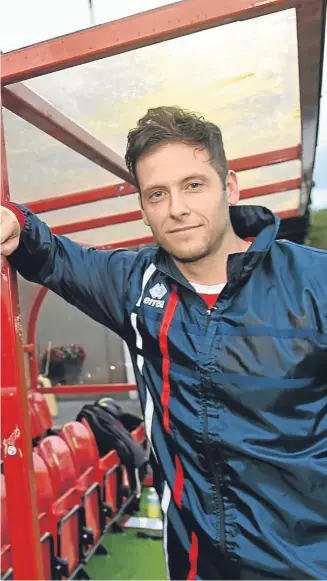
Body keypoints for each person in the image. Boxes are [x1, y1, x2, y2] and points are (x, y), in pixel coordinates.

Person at [1, 106, 327, 580]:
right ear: (143, 207)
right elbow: (51, 255)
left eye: (194, 185)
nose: (177, 208)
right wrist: (13, 220)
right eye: (158, 193)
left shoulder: (315, 283)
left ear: (229, 187)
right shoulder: (136, 287)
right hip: (199, 569)